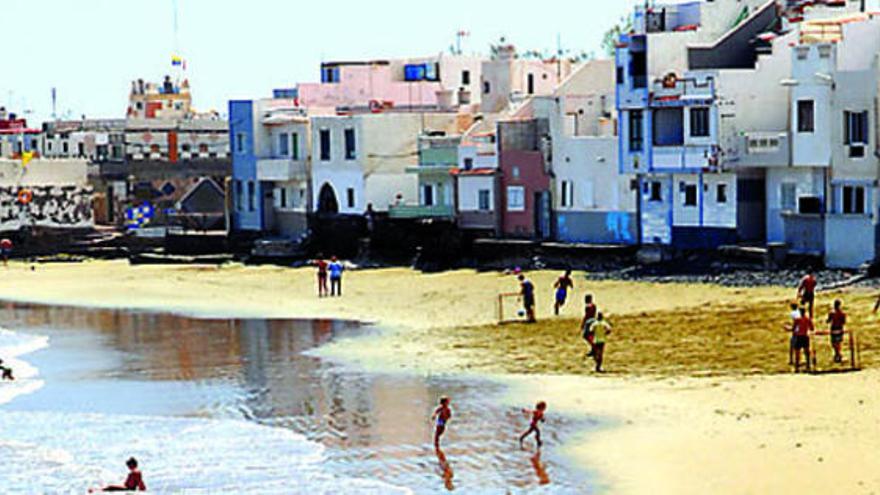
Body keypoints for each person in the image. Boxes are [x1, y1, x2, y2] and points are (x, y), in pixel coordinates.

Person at [791, 307, 813, 373]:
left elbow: (794, 328)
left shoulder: (797, 319)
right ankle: (808, 366)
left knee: (797, 352)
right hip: (805, 336)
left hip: (799, 336)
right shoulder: (808, 319)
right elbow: (811, 328)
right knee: (807, 352)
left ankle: (797, 367)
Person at [825, 300, 847, 364]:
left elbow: (828, 321)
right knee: (838, 342)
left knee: (834, 343)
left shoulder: (832, 313)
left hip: (834, 328)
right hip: (839, 328)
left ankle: (837, 354)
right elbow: (843, 322)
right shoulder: (842, 313)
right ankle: (838, 354)